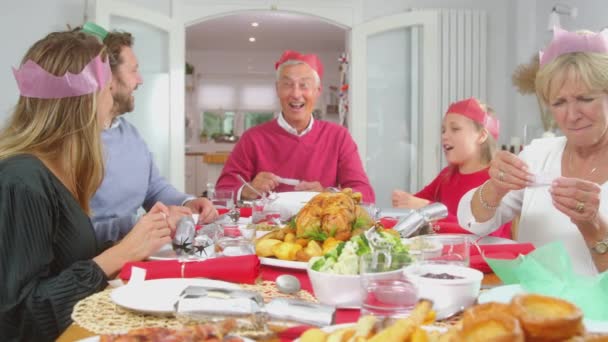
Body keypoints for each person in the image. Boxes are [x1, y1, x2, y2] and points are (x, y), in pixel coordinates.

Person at [0, 30, 172, 341]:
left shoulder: (61, 171)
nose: (111, 99)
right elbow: (19, 318)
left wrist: (139, 241)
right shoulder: (22, 180)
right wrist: (119, 254)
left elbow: (65, 264)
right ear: (84, 101)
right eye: (107, 88)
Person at [457, 27, 608, 275]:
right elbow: (474, 223)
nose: (572, 115)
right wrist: (495, 188)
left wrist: (595, 229)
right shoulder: (538, 155)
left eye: (586, 98)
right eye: (559, 103)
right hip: (532, 308)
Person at [89, 26, 217, 243]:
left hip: (138, 251)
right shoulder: (74, 143)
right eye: (133, 70)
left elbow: (153, 188)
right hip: (97, 261)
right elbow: (72, 237)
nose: (140, 80)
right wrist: (143, 224)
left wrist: (188, 202)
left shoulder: (129, 133)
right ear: (107, 77)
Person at [215, 50, 375, 202]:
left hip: (322, 228)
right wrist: (246, 190)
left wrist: (329, 195)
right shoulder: (253, 138)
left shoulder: (338, 137)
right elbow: (221, 191)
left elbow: (365, 193)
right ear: (277, 89)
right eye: (287, 84)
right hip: (265, 229)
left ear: (317, 91)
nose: (296, 94)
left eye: (304, 85)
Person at [391, 98, 511, 238]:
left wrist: (429, 210)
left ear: (481, 135)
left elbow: (484, 231)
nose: (444, 136)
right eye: (443, 130)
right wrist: (405, 201)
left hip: (486, 257)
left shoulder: (496, 180)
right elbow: (415, 203)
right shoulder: (446, 176)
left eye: (455, 129)